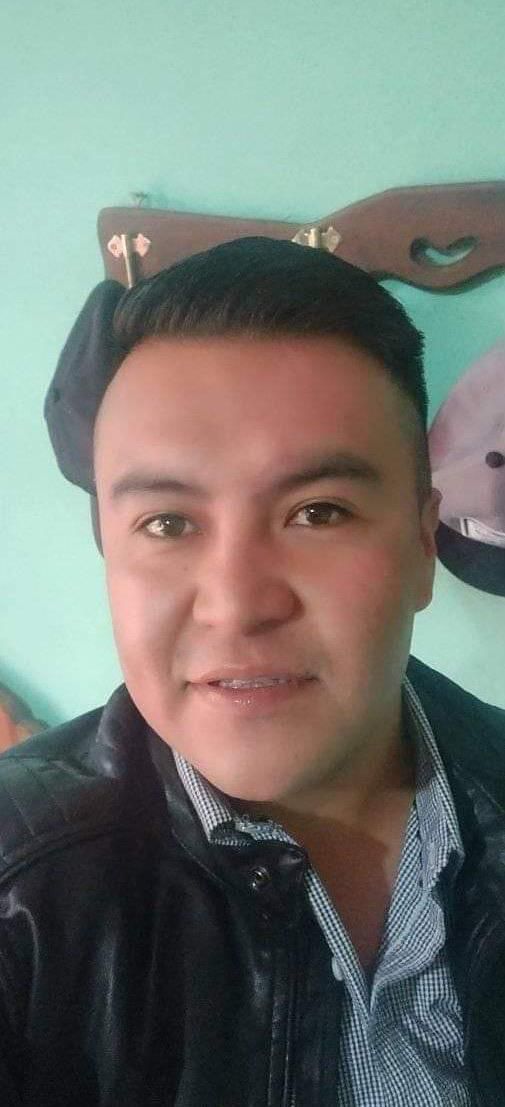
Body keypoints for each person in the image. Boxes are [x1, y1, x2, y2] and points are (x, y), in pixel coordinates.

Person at [1, 237, 504, 1107]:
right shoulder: (19, 891)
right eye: (167, 523)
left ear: (422, 541)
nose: (236, 605)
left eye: (318, 512)